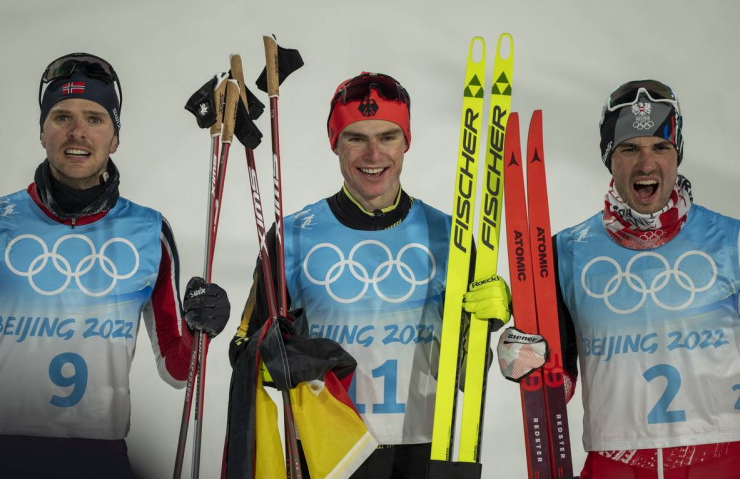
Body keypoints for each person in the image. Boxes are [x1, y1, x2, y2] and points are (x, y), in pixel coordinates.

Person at [228, 71, 511, 478]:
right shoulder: (292, 236)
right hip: (331, 452)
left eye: (388, 137)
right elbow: (243, 350)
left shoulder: (452, 236)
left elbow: (469, 375)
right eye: (356, 138)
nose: (373, 154)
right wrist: (282, 359)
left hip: (430, 449)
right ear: (335, 144)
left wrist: (486, 324)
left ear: (406, 143)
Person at [0, 53, 231, 478]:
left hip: (100, 458)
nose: (78, 132)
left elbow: (178, 371)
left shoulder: (148, 231)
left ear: (116, 136)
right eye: (61, 117)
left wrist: (203, 329)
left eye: (95, 118)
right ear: (42, 131)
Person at [553, 80, 740, 477]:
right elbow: (557, 384)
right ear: (609, 158)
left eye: (661, 146)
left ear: (677, 153)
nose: (646, 163)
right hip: (614, 461)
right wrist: (525, 358)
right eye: (629, 148)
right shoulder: (566, 252)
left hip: (721, 459)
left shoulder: (732, 242)